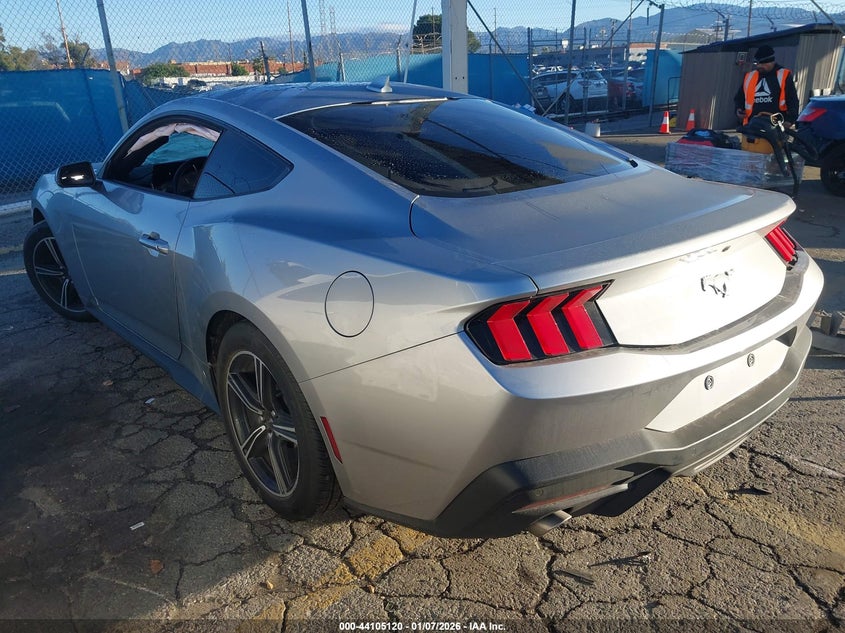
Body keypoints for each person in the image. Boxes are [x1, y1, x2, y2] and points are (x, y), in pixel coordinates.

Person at [734, 45, 799, 127]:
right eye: (757, 63)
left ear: (771, 62)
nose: (759, 66)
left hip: (776, 126)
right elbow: (739, 98)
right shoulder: (750, 77)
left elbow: (792, 100)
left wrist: (790, 120)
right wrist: (738, 109)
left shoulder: (783, 75)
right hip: (752, 125)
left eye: (763, 63)